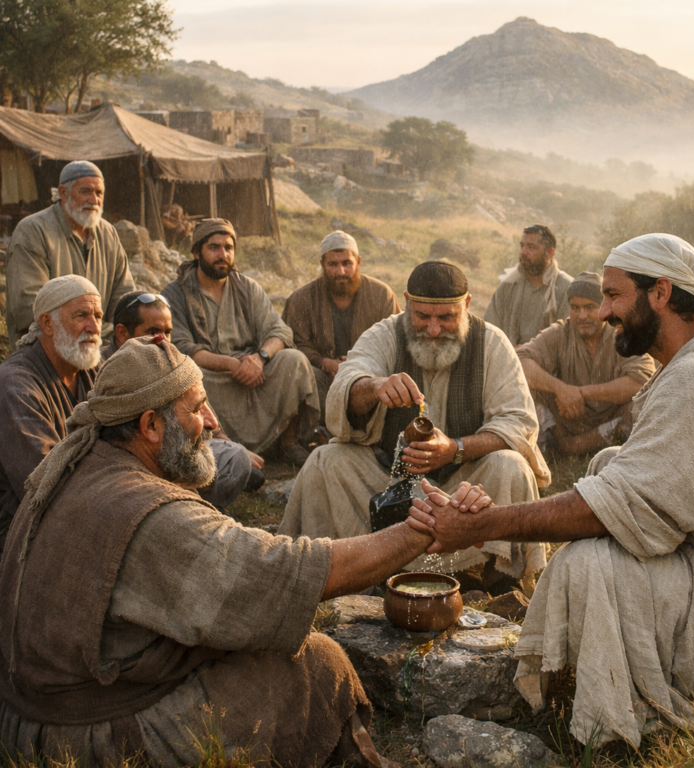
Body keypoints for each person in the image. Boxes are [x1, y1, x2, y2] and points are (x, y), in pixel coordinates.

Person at [0, 335, 455, 767]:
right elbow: (282, 574)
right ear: (150, 426)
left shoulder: (81, 463)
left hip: (27, 716)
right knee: (316, 664)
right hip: (84, 741)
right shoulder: (147, 514)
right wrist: (421, 530)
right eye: (198, 408)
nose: (213, 421)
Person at [408, 233, 694, 747]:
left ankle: (611, 728)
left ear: (661, 292)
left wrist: (480, 526)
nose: (602, 313)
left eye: (614, 297)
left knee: (588, 565)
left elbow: (608, 511)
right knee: (606, 464)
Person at [280, 261, 550, 592]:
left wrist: (455, 449)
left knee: (511, 467)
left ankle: (492, 577)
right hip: (389, 481)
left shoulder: (491, 343)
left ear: (465, 305)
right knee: (325, 461)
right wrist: (374, 386)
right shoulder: (383, 334)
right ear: (407, 303)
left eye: (446, 318)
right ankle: (341, 569)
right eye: (422, 317)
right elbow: (346, 384)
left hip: (465, 486)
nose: (434, 329)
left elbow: (518, 422)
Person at [162, 218, 319, 466]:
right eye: (214, 247)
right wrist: (231, 364)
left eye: (228, 247)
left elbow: (279, 331)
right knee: (188, 379)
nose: (222, 254)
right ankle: (220, 449)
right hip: (211, 375)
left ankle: (287, 443)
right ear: (196, 252)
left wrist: (260, 358)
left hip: (253, 370)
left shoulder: (247, 287)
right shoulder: (175, 292)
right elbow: (181, 348)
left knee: (294, 360)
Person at [103, 289, 264, 507]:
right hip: (135, 467)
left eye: (167, 332)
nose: (163, 341)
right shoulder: (104, 372)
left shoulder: (168, 361)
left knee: (237, 458)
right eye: (153, 331)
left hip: (176, 447)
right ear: (122, 334)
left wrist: (230, 444)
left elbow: (208, 420)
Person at [0, 275, 101, 551]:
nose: (93, 327)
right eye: (81, 315)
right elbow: (46, 485)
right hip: (24, 531)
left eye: (98, 316)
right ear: (47, 324)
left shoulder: (93, 369)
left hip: (90, 501)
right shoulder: (14, 384)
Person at [517, 271, 655, 456]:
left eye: (590, 307)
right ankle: (547, 448)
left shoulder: (624, 332)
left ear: (605, 307)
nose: (582, 315)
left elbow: (640, 382)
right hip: (566, 421)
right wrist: (560, 389)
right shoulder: (561, 332)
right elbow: (520, 361)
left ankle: (577, 447)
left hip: (611, 422)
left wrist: (581, 393)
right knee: (525, 389)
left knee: (644, 403)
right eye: (575, 307)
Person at [5, 160, 135, 348]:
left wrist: (122, 331)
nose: (94, 200)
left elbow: (124, 298)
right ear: (63, 193)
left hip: (98, 348)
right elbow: (31, 309)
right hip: (45, 354)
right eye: (85, 192)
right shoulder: (32, 231)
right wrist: (105, 332)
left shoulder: (108, 233)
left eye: (99, 193)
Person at [282, 230, 400, 424]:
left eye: (347, 263)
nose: (341, 272)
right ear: (322, 264)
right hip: (321, 376)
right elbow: (294, 344)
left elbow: (395, 339)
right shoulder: (301, 299)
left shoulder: (381, 295)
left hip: (371, 372)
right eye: (333, 264)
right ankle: (304, 437)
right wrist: (325, 362)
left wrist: (359, 362)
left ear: (358, 262)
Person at [484, 224, 573, 346]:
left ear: (549, 252)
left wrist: (528, 354)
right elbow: (488, 330)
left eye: (531, 247)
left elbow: (568, 340)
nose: (523, 252)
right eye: (522, 246)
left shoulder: (566, 288)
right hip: (506, 359)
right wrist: (507, 352)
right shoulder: (508, 285)